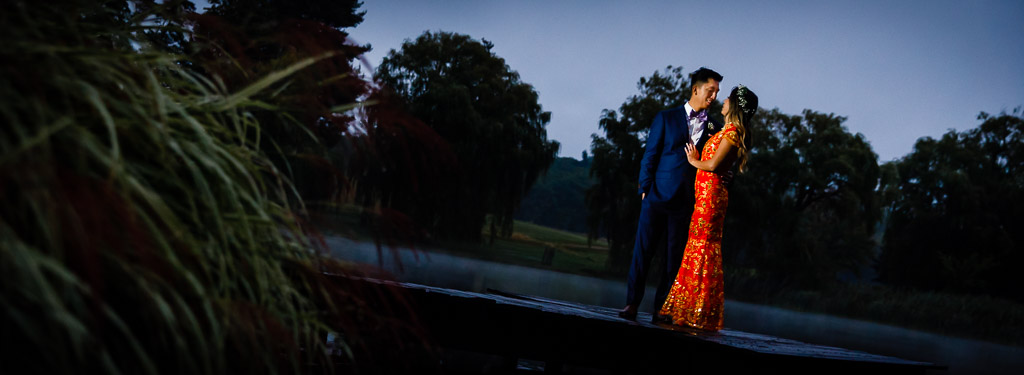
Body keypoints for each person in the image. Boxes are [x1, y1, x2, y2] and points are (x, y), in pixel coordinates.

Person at [619, 67, 724, 321]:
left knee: (673, 259)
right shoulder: (666, 118)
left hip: (686, 202)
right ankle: (631, 304)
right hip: (656, 197)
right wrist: (644, 189)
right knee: (642, 252)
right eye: (710, 91)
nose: (713, 97)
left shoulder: (714, 126)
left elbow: (715, 162)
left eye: (717, 93)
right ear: (696, 89)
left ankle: (660, 310)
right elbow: (650, 155)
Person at [657, 85, 758, 331]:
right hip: (705, 196)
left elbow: (713, 165)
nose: (722, 101)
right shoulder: (727, 131)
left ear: (733, 105)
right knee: (695, 246)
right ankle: (686, 308)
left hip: (711, 198)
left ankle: (698, 311)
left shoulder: (733, 132)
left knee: (702, 247)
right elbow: (722, 165)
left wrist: (693, 160)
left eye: (727, 98)